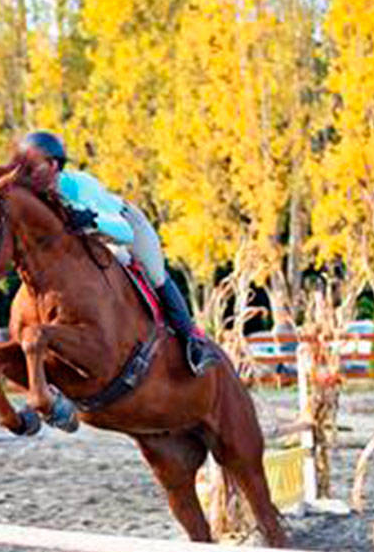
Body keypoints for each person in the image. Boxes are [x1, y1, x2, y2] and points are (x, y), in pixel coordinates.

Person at [17, 130, 222, 375]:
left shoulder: (79, 185)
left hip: (124, 226)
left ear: (53, 165)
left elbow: (124, 233)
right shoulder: (34, 195)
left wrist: (91, 218)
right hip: (87, 243)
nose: (27, 175)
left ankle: (192, 343)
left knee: (155, 275)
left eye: (33, 167)